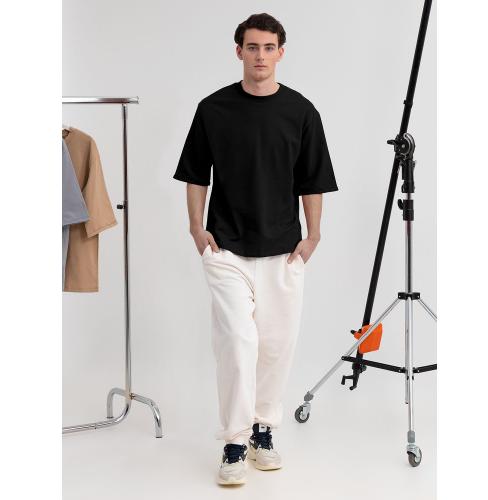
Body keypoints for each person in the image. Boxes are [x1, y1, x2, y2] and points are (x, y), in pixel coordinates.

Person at [173, 12, 338, 486]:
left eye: (268, 48)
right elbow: (195, 175)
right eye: (252, 47)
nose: (260, 56)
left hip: (284, 250)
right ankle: (233, 441)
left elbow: (312, 180)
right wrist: (196, 228)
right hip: (227, 248)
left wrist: (313, 235)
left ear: (280, 53)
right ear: (238, 51)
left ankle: (263, 432)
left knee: (275, 347)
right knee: (238, 344)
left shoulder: (301, 111)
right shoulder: (213, 109)